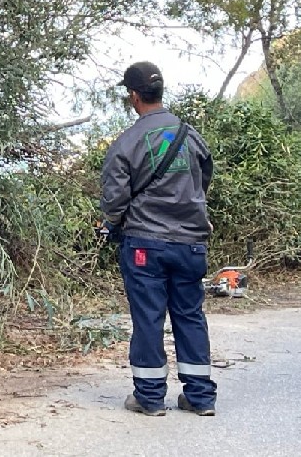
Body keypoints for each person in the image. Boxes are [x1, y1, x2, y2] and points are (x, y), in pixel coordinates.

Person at [98, 61, 218, 417]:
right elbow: (203, 180)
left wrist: (115, 223)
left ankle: (150, 398)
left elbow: (114, 200)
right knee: (190, 315)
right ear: (159, 92)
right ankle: (200, 398)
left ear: (133, 96)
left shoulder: (127, 142)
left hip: (145, 245)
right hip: (191, 243)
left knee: (149, 318)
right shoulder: (190, 135)